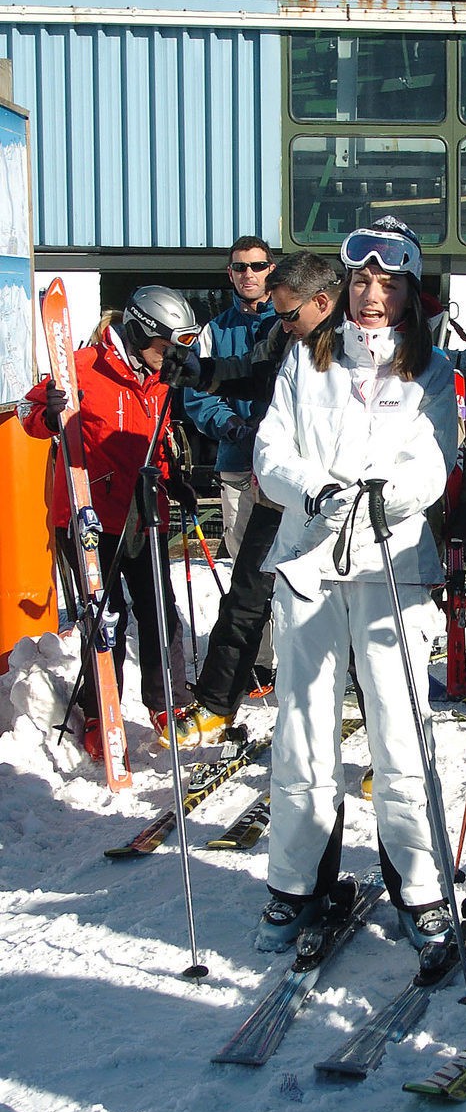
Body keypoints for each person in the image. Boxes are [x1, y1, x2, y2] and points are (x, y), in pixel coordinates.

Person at [251, 217, 460, 952]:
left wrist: (385, 497)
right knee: (304, 728)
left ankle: (423, 884)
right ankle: (296, 883)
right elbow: (270, 447)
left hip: (391, 568)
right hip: (309, 564)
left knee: (401, 729)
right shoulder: (307, 360)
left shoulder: (429, 369)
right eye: (363, 281)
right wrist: (313, 489)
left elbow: (437, 459)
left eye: (390, 282)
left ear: (411, 290)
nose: (373, 296)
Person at [159, 253, 343, 746]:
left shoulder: (358, 348)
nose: (281, 324)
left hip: (340, 504)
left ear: (322, 302)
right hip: (279, 493)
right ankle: (217, 705)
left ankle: (391, 741)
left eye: (289, 314)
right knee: (245, 600)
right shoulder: (286, 338)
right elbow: (249, 370)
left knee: (354, 613)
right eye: (278, 315)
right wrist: (200, 371)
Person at [19, 287, 198, 759]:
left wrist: (171, 477)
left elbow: (155, 439)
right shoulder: (82, 366)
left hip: (144, 513)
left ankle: (169, 703)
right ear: (140, 331)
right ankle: (101, 709)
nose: (171, 357)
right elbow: (27, 412)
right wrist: (49, 415)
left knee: (160, 611)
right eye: (165, 346)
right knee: (105, 617)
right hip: (88, 515)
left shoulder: (160, 378)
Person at [181, 235, 279, 688]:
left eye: (257, 266)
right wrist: (233, 427)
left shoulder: (290, 320)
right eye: (240, 267)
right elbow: (196, 395)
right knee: (247, 566)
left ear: (270, 268)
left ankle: (300, 652)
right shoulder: (215, 331)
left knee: (293, 566)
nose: (249, 275)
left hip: (289, 465)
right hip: (240, 462)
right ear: (230, 273)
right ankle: (255, 661)